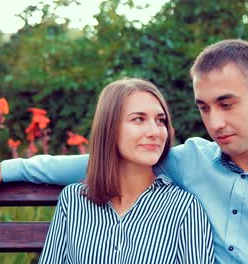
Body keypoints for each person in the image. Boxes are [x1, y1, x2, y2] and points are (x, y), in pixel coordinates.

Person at [0, 39, 248, 263]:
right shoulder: (190, 159)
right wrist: (11, 168)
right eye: (204, 108)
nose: (215, 123)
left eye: (227, 104)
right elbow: (103, 161)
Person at [41, 78, 214, 263]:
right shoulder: (73, 201)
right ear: (109, 128)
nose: (154, 131)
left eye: (160, 120)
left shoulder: (184, 208)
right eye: (138, 119)